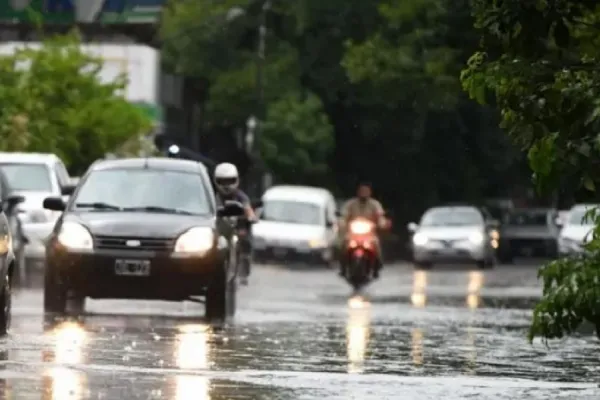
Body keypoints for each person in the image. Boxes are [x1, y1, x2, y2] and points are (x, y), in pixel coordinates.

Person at [214, 163, 257, 284]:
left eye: (230, 181)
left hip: (239, 225)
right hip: (220, 227)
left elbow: (248, 208)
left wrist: (251, 217)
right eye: (222, 181)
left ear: (237, 180)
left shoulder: (241, 196)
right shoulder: (213, 196)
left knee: (245, 240)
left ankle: (244, 268)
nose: (227, 185)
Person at [339, 182, 389, 278]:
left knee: (376, 244)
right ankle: (343, 267)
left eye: (366, 191)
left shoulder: (375, 204)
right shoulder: (350, 204)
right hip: (353, 233)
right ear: (358, 192)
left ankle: (377, 266)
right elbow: (343, 216)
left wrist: (382, 223)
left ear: (370, 192)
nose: (364, 193)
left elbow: (380, 216)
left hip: (369, 234)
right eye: (362, 191)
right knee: (344, 243)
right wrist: (341, 222)